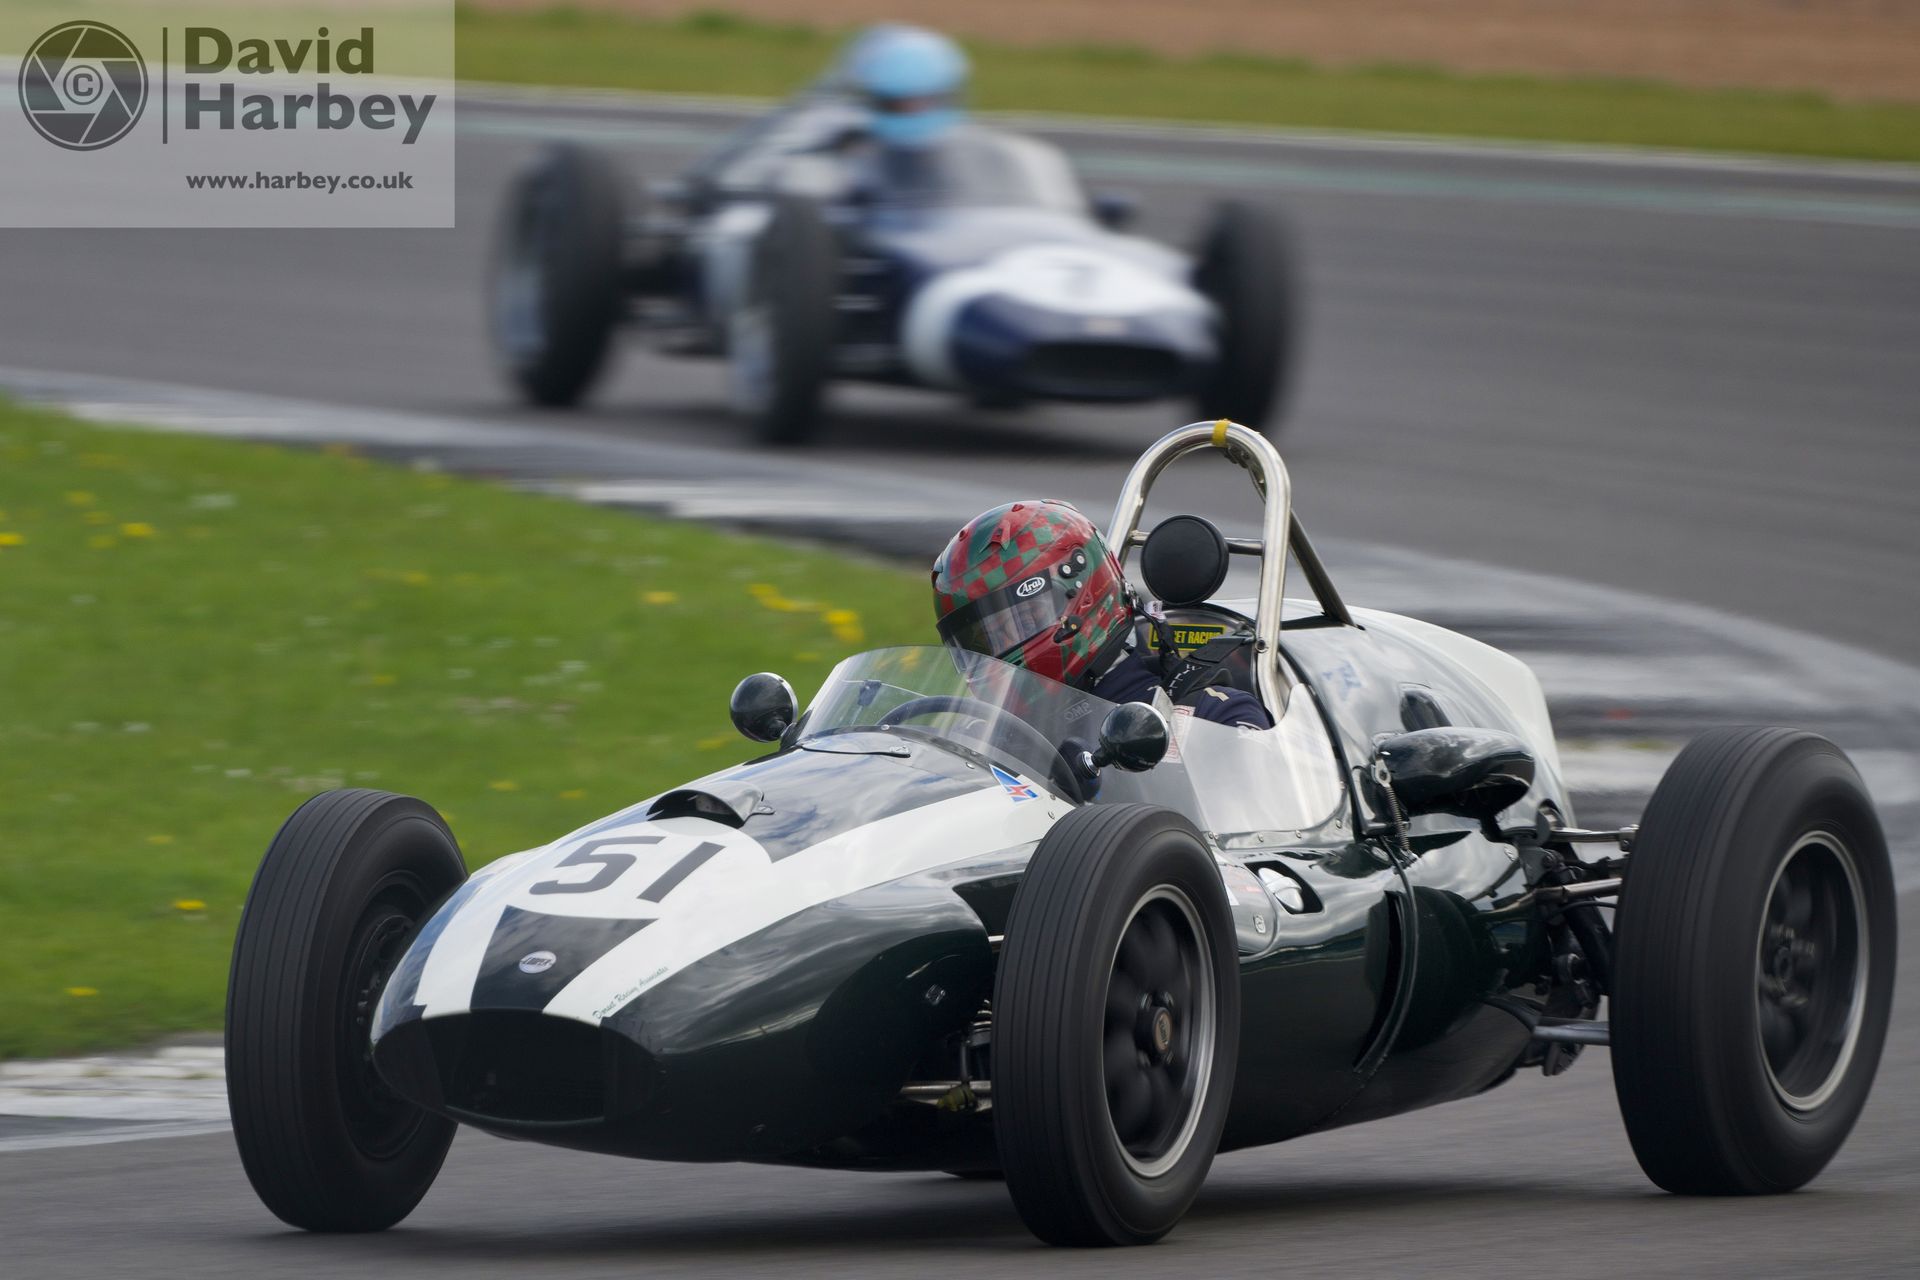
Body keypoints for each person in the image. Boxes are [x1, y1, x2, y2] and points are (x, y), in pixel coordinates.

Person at [931, 500, 1273, 729]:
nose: (1003, 647)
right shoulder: (985, 735)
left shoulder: (1209, 718)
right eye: (986, 639)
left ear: (1082, 595)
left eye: (1022, 621)